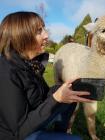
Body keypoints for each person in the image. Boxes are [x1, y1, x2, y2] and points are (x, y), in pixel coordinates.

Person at [0, 11, 92, 140]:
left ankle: (60, 133)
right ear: (21, 36)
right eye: (39, 31)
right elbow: (19, 131)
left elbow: (41, 97)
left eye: (44, 29)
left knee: (71, 95)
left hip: (35, 120)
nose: (46, 35)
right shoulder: (6, 73)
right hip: (17, 135)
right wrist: (56, 98)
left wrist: (65, 88)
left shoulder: (30, 63)